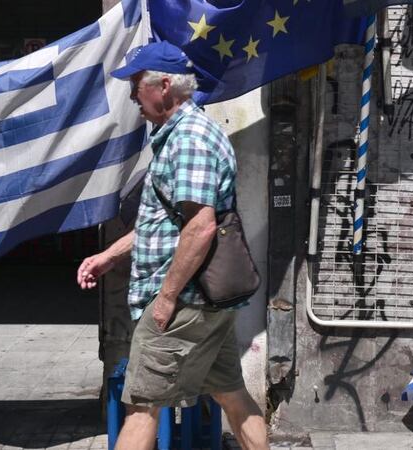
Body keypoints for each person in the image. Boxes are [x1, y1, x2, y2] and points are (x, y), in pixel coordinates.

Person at [76, 41, 269, 450]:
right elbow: (164, 223)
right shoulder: (180, 135)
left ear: (163, 86)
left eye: (135, 86)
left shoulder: (189, 140)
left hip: (183, 305)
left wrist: (166, 299)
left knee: (142, 405)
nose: (132, 96)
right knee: (232, 396)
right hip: (201, 303)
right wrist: (107, 257)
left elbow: (200, 227)